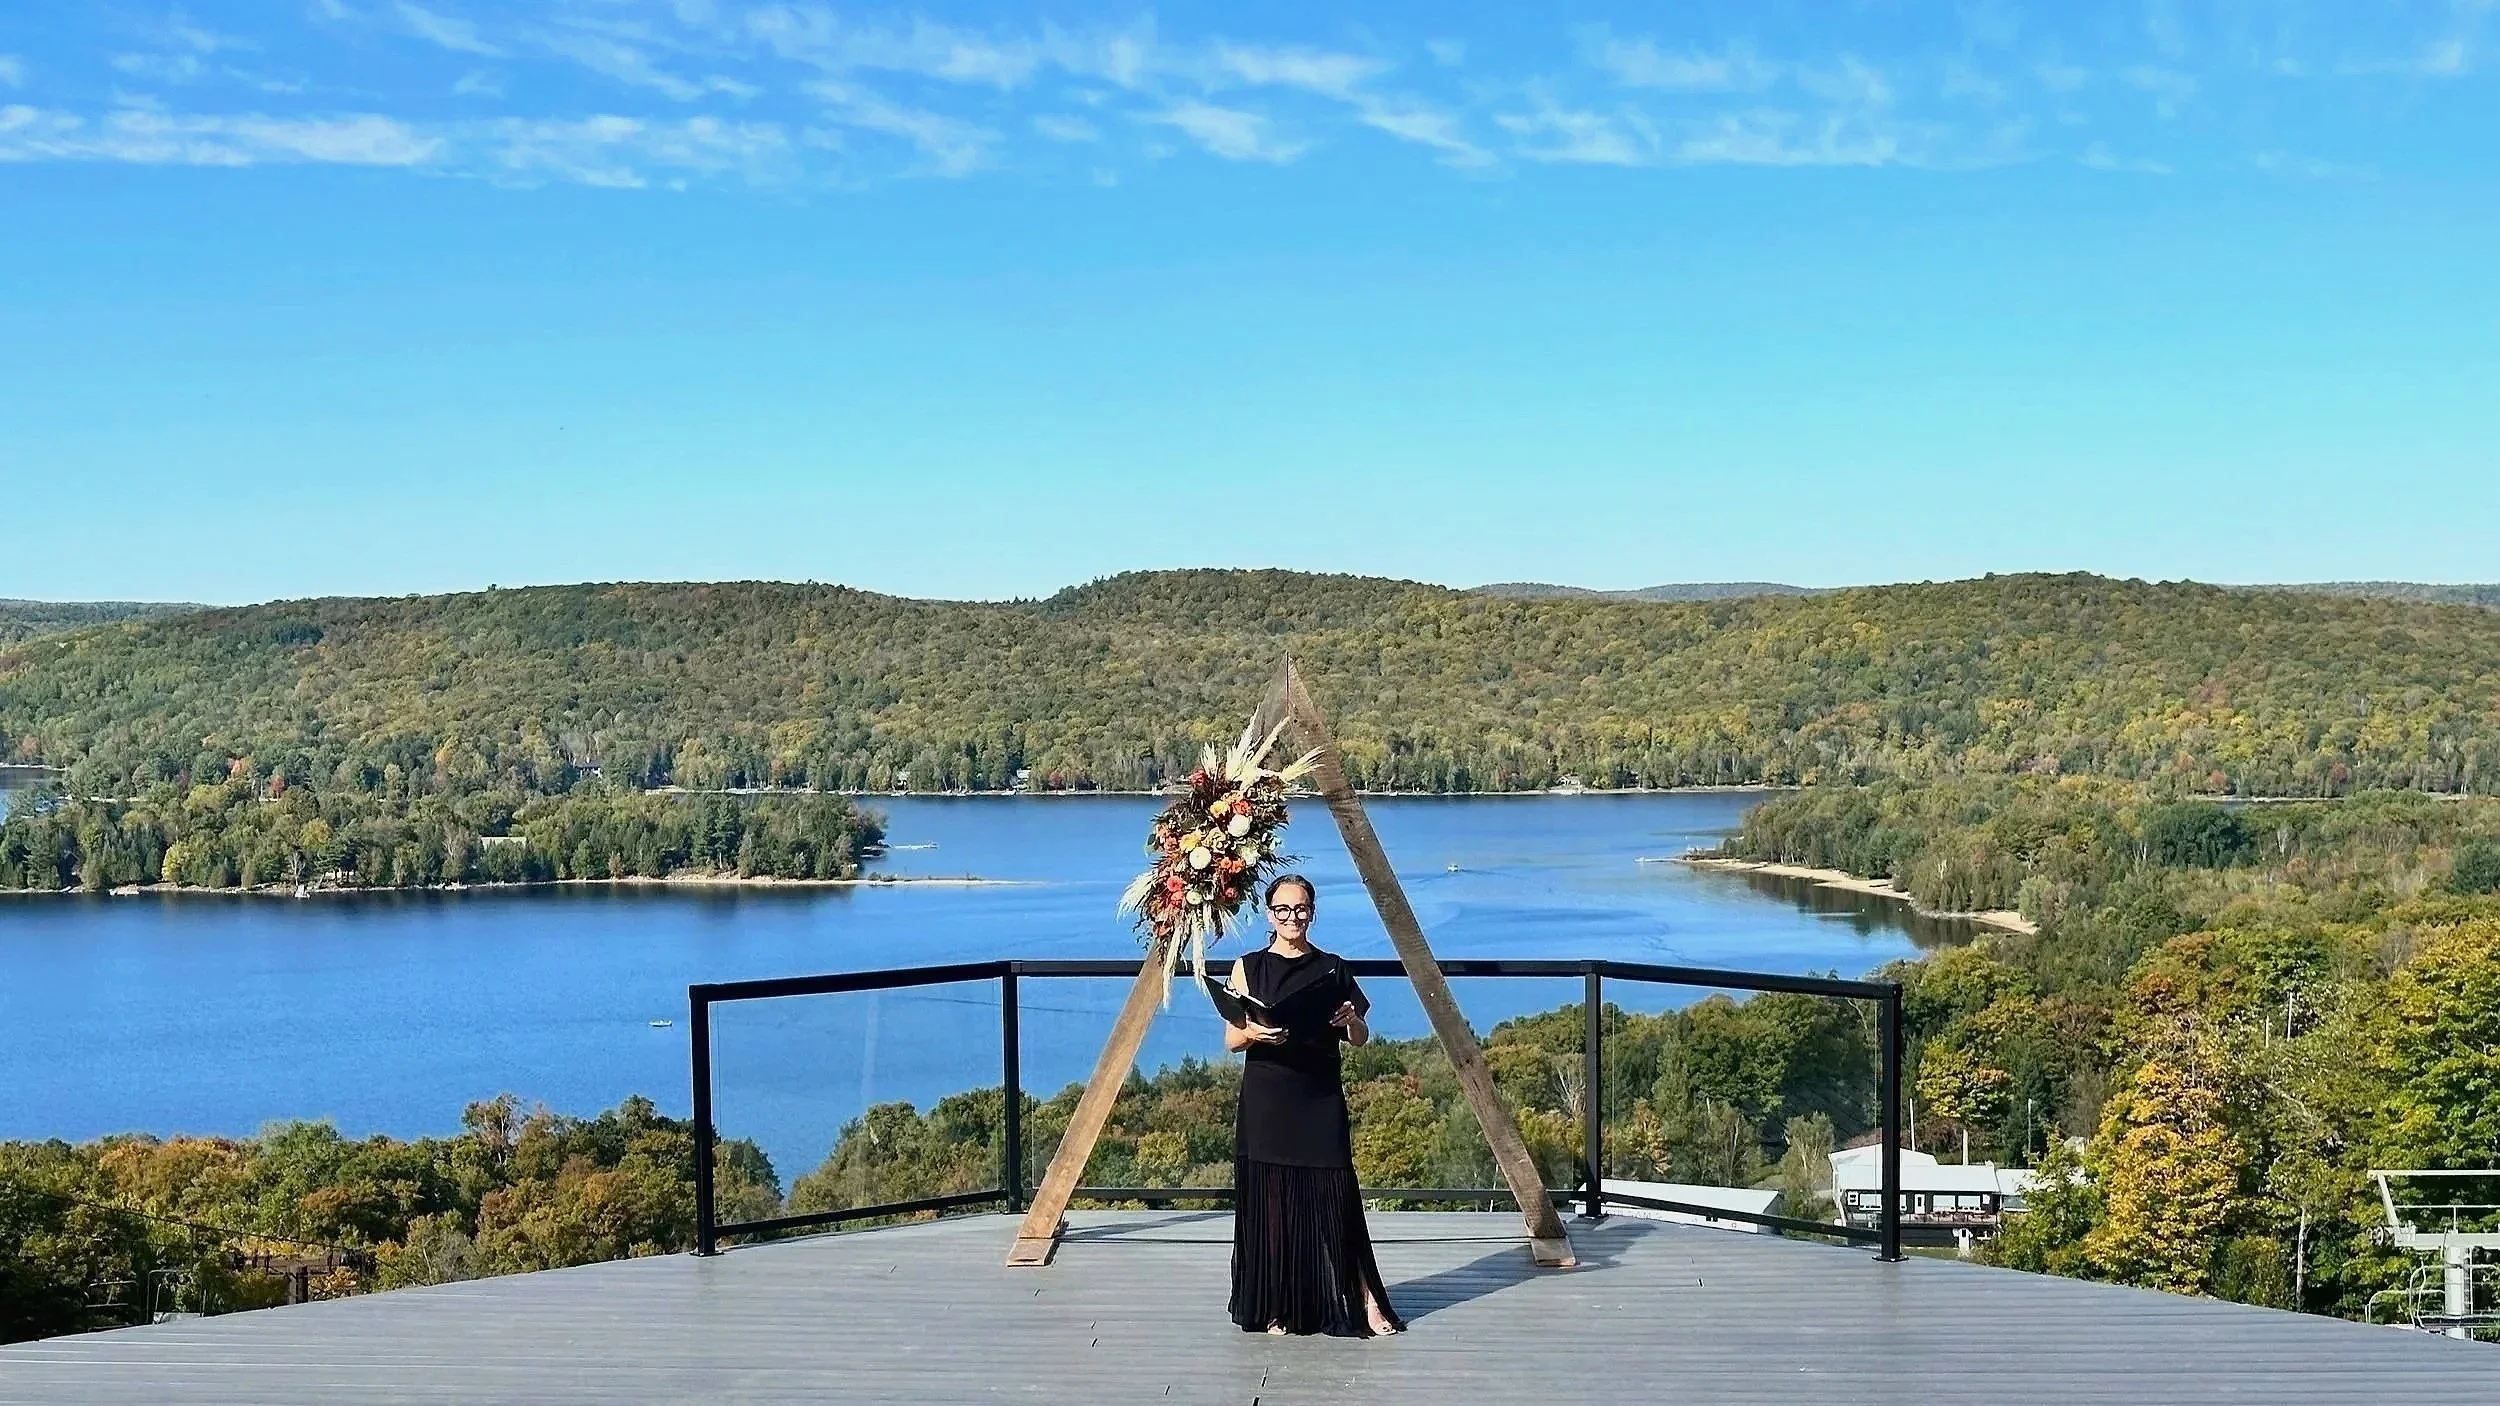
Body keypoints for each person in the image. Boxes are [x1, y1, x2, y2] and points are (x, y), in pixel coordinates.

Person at [1222, 874, 1404, 1337]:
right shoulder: (1247, 967)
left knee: (1337, 1198)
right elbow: (1231, 1039)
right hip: (1268, 1096)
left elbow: (1360, 1038)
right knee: (1272, 1204)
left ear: (1312, 912)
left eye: (1301, 909)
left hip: (1319, 1094)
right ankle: (1276, 1306)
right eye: (1282, 909)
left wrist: (1352, 1021)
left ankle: (1365, 1301)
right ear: (1269, 914)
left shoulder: (1333, 969)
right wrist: (1256, 1033)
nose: (1292, 918)